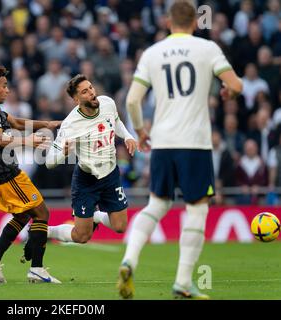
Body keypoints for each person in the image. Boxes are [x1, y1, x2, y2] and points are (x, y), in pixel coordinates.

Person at [118, 0, 243, 300]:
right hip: (195, 143)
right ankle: (183, 282)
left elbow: (133, 101)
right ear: (196, 22)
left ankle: (129, 260)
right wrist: (228, 91)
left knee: (157, 205)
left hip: (162, 141)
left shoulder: (152, 52)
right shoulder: (207, 49)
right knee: (197, 208)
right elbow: (236, 85)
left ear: (168, 22)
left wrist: (142, 130)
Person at [0, 63, 61, 284]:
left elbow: (16, 122)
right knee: (41, 213)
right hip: (5, 173)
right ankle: (37, 270)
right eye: (4, 86)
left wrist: (46, 124)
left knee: (22, 216)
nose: (7, 90)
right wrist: (28, 142)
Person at [44, 74, 138, 245]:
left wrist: (128, 136)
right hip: (87, 180)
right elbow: (49, 162)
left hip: (110, 174)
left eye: (91, 88)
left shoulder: (108, 103)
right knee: (82, 237)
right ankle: (46, 231)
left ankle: (94, 216)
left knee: (120, 226)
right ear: (76, 99)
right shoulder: (70, 124)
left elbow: (116, 122)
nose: (92, 93)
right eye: (85, 92)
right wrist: (63, 153)